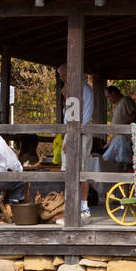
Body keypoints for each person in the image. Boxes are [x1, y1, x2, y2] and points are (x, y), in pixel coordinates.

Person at [57, 64, 96, 217]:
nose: (62, 79)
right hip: (83, 131)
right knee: (82, 168)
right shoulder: (86, 88)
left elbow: (73, 117)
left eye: (63, 76)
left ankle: (76, 206)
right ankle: (82, 205)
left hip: (76, 132)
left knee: (73, 169)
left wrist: (69, 140)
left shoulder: (76, 90)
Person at [102, 85, 136, 169]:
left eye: (109, 96)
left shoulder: (125, 101)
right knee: (113, 161)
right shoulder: (118, 104)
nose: (108, 99)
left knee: (124, 163)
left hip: (124, 138)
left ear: (114, 93)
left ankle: (127, 181)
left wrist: (126, 126)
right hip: (118, 138)